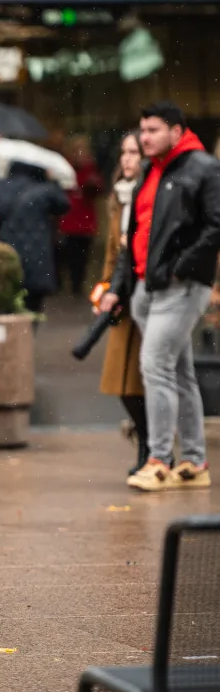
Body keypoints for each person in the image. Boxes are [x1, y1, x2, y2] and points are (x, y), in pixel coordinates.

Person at [102, 102, 220, 491]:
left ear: (176, 131)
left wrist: (181, 267)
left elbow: (216, 225)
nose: (145, 137)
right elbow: (134, 235)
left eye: (153, 130)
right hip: (148, 288)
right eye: (143, 130)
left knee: (155, 366)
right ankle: (195, 462)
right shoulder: (152, 171)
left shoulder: (202, 168)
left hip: (180, 287)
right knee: (179, 373)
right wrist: (121, 288)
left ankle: (158, 460)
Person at [98, 132, 148, 478]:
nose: (127, 159)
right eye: (124, 152)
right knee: (123, 384)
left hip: (146, 294)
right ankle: (147, 441)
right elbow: (112, 253)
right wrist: (104, 289)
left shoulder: (151, 197)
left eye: (134, 152)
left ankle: (154, 449)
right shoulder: (118, 197)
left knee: (146, 381)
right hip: (121, 299)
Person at [0, 161, 70, 314]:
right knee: (32, 307)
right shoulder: (44, 189)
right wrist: (52, 181)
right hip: (35, 257)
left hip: (6, 256)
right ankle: (28, 328)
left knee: (6, 306)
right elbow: (64, 204)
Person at [57, 135, 105, 298]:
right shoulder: (65, 170)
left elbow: (97, 191)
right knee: (67, 256)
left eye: (82, 150)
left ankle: (77, 286)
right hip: (68, 221)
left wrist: (92, 184)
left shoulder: (91, 170)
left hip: (85, 223)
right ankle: (67, 285)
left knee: (82, 257)